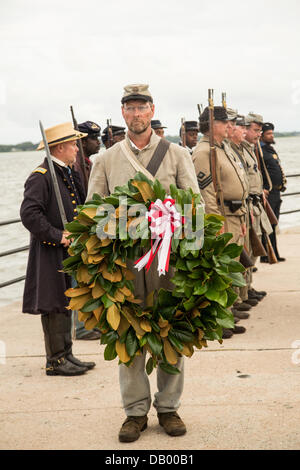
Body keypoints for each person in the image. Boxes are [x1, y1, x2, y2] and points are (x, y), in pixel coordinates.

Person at [87, 83, 202, 442]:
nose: (136, 114)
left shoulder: (177, 154)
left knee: (172, 330)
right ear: (123, 113)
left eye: (142, 107)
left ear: (152, 110)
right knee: (128, 333)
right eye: (129, 108)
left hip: (169, 260)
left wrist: (181, 237)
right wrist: (132, 221)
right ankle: (135, 412)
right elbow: (93, 212)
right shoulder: (105, 160)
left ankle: (169, 407)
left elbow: (194, 206)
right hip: (125, 262)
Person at [20, 122, 96, 376]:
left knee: (66, 302)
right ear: (60, 147)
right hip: (50, 250)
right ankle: (55, 360)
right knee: (53, 304)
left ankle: (67, 353)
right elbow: (29, 214)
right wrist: (57, 236)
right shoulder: (41, 176)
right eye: (73, 144)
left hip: (68, 250)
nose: (77, 148)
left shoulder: (66, 172)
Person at [192, 106, 248, 338]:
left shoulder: (221, 148)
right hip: (222, 216)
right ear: (212, 124)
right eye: (225, 122)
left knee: (230, 269)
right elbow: (206, 192)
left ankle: (226, 314)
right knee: (220, 272)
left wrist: (242, 215)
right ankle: (217, 321)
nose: (230, 126)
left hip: (235, 214)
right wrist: (215, 223)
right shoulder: (204, 152)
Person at [73, 120, 102, 341]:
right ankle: (82, 328)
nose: (98, 142)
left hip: (91, 228)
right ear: (81, 141)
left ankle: (91, 323)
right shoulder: (76, 166)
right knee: (81, 280)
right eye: (93, 139)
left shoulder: (88, 164)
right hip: (80, 231)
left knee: (92, 279)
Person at [260, 122, 287, 262]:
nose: (271, 136)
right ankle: (267, 255)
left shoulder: (270, 150)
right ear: (262, 135)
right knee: (268, 224)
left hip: (276, 192)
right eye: (268, 134)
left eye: (272, 133)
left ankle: (274, 253)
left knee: (273, 223)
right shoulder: (260, 150)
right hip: (268, 193)